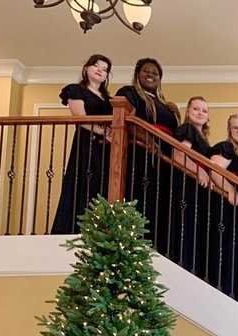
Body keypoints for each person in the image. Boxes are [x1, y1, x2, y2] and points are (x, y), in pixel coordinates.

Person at [116, 58, 180, 250]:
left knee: (161, 201)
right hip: (142, 154)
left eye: (155, 73)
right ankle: (134, 241)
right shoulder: (130, 92)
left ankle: (157, 245)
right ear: (137, 74)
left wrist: (176, 113)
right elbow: (127, 120)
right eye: (146, 71)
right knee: (142, 197)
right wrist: (148, 140)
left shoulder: (163, 103)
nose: (150, 75)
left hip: (164, 159)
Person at [51, 54, 113, 235]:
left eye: (105, 69)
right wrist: (103, 132)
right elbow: (80, 117)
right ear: (86, 68)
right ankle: (75, 228)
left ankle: (99, 228)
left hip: (106, 147)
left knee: (102, 182)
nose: (100, 70)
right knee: (84, 180)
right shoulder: (76, 90)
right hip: (87, 142)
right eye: (96, 65)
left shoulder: (109, 99)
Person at [208, 114, 238, 298]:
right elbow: (214, 169)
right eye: (236, 128)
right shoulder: (226, 147)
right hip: (226, 205)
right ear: (229, 130)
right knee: (226, 247)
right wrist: (230, 190)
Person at [169, 96, 213, 278]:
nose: (200, 113)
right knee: (185, 224)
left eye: (204, 110)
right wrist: (200, 172)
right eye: (196, 109)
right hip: (187, 183)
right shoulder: (187, 129)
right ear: (188, 111)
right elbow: (179, 156)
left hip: (198, 187)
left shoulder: (204, 138)